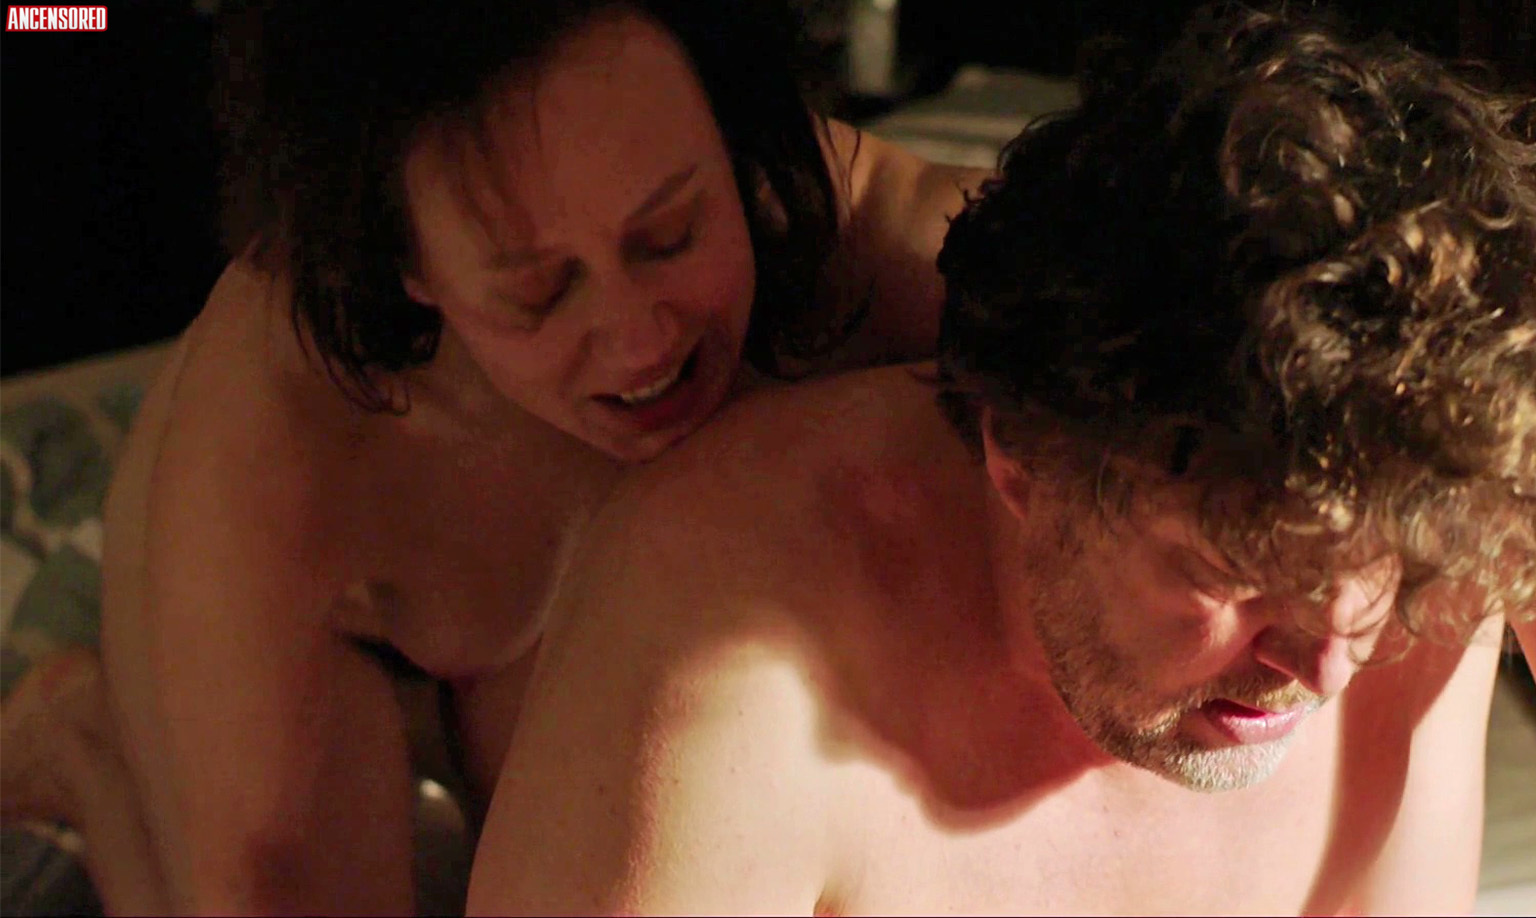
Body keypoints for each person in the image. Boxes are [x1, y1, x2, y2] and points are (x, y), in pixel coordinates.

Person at [466, 5, 1536, 914]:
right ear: (1021, 456)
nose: (1328, 665)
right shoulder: (721, 610)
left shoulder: (1420, 529)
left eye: (1385, 575)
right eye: (1236, 572)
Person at [0, 1, 988, 913]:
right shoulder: (282, 430)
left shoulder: (825, 211)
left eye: (670, 234)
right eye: (540, 292)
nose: (640, 339)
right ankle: (82, 746)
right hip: (331, 616)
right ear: (411, 270)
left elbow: (1057, 294)